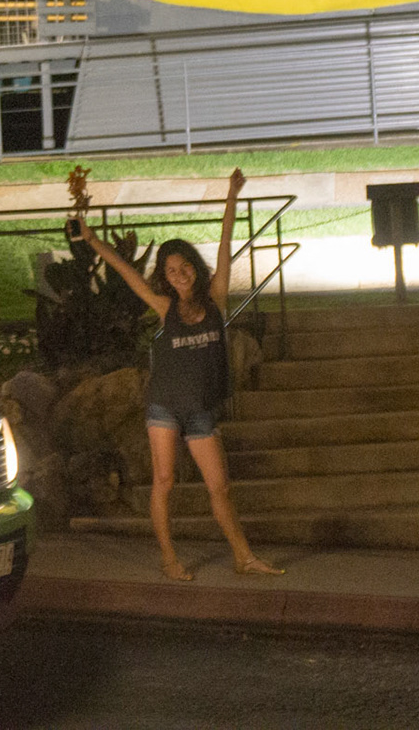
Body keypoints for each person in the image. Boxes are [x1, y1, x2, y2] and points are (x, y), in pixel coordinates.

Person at [71, 167, 283, 580]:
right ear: (165, 278)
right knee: (164, 481)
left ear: (194, 268)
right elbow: (127, 273)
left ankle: (244, 557)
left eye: (184, 266)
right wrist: (92, 240)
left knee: (220, 486)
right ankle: (170, 560)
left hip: (200, 410)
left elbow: (225, 243)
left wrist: (232, 195)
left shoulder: (216, 299)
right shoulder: (165, 309)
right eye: (170, 271)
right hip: (164, 407)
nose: (180, 275)